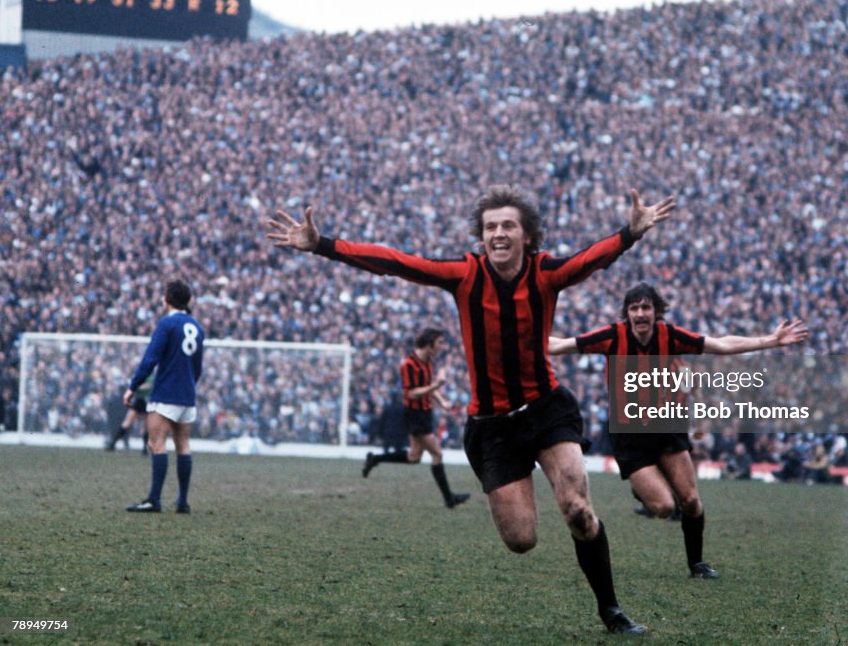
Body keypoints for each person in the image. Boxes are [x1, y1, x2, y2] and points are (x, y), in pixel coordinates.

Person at [268, 185, 674, 635]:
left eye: (508, 226)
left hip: (546, 409)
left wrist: (629, 234)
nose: (498, 233)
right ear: (481, 236)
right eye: (490, 227)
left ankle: (611, 611)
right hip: (492, 425)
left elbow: (588, 259)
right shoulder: (464, 273)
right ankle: (530, 490)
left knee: (578, 511)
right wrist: (322, 245)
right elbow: (396, 262)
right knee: (521, 540)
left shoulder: (545, 273)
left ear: (527, 235)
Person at [549, 282, 807, 580]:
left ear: (656, 312)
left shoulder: (669, 337)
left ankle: (696, 564)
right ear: (627, 313)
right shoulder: (612, 336)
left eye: (646, 307)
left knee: (691, 501)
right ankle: (644, 490)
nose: (640, 313)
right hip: (629, 435)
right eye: (634, 308)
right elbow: (559, 345)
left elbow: (720, 346)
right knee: (663, 507)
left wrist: (771, 341)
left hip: (667, 427)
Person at [362, 328, 471, 509]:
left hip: (425, 412)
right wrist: (436, 385)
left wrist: (442, 401)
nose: (441, 347)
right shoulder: (408, 365)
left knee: (414, 457)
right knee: (437, 453)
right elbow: (412, 394)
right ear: (429, 344)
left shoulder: (428, 361)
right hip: (415, 416)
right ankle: (449, 498)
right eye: (439, 343)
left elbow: (427, 386)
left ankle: (375, 459)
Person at [124, 279, 205, 514]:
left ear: (168, 299)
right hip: (187, 395)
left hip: (166, 393)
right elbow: (197, 368)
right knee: (183, 445)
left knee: (155, 443)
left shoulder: (167, 324)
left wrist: (133, 386)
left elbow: (151, 359)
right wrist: (189, 386)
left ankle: (154, 500)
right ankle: (182, 501)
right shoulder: (197, 327)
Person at [106, 383, 149, 454]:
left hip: (146, 400)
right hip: (139, 400)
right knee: (127, 423)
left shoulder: (151, 376)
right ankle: (113, 443)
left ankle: (145, 448)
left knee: (145, 426)